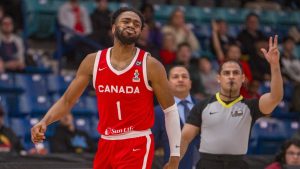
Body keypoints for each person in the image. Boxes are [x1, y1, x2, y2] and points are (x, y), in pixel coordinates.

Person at [31, 7, 181, 169]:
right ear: (114, 28)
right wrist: (45, 121)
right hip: (106, 143)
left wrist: (175, 156)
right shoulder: (92, 61)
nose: (131, 25)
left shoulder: (151, 65)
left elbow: (170, 111)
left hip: (136, 142)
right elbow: (68, 100)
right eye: (126, 21)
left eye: (137, 24)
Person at [178, 35, 283, 169]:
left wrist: (274, 66)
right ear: (218, 78)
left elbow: (276, 97)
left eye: (235, 73)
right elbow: (185, 138)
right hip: (207, 164)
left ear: (243, 78)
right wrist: (174, 162)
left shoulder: (251, 106)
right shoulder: (202, 105)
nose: (231, 76)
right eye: (226, 73)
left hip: (238, 164)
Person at [152, 65, 200, 169]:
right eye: (175, 77)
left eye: (184, 76)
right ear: (168, 84)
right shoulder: (158, 112)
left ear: (190, 83)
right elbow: (152, 144)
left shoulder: (204, 107)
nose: (180, 79)